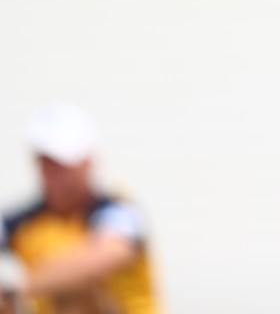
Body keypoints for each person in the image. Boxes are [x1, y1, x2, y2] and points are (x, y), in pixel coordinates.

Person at [0, 105, 161, 314]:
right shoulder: (22, 221)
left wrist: (17, 289)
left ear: (88, 162)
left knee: (77, 292)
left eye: (63, 163)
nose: (55, 173)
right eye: (47, 162)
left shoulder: (119, 213)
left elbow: (102, 257)